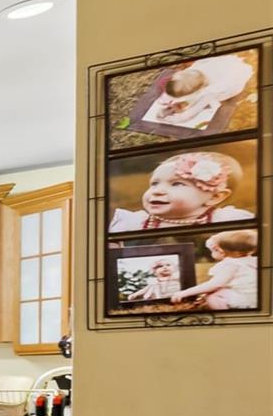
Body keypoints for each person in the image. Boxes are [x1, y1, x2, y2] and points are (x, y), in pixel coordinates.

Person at [110, 149, 253, 230]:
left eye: (177, 184)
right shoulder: (133, 223)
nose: (157, 191)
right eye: (154, 183)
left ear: (215, 197)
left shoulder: (228, 220)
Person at [142, 51, 256, 131]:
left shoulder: (211, 90)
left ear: (199, 89)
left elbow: (190, 114)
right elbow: (181, 83)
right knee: (185, 92)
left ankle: (185, 99)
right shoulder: (193, 70)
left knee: (202, 99)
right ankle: (177, 99)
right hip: (229, 64)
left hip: (232, 81)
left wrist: (171, 119)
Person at [172, 229, 259, 311]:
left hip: (246, 299)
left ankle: (227, 317)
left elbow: (214, 285)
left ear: (220, 250)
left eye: (212, 251)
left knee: (212, 298)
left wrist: (183, 293)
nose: (211, 253)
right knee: (217, 292)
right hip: (256, 296)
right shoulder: (251, 260)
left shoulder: (230, 264)